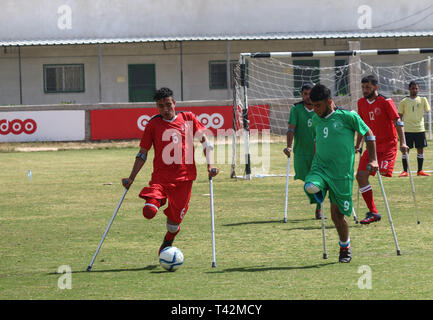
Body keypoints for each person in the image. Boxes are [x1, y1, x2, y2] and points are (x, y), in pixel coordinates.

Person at [122, 87, 219, 254]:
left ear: (174, 103)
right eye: (161, 106)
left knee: (173, 225)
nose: (165, 109)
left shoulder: (188, 118)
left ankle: (168, 239)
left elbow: (205, 142)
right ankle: (158, 200)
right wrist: (131, 178)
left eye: (168, 104)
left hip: (184, 179)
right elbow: (142, 153)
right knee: (149, 211)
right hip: (160, 179)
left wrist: (210, 166)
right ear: (157, 107)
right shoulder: (153, 124)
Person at [303, 84, 378, 263]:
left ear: (329, 102)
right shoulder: (315, 119)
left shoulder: (348, 117)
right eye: (312, 106)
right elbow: (317, 140)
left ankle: (345, 246)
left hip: (341, 174)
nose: (315, 109)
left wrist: (373, 159)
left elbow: (368, 133)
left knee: (338, 215)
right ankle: (320, 188)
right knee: (311, 185)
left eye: (318, 106)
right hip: (320, 168)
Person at [355, 75, 409, 225]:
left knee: (383, 172)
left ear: (376, 87)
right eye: (363, 88)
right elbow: (361, 126)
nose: (365, 90)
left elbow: (397, 122)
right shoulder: (361, 103)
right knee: (360, 176)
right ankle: (373, 212)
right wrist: (357, 145)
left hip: (388, 145)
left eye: (368, 88)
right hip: (371, 146)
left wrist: (403, 143)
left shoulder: (386, 101)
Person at [283, 83, 323, 219]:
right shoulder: (296, 108)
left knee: (318, 180)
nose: (307, 97)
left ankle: (319, 208)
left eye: (309, 93)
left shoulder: (320, 107)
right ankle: (316, 200)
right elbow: (291, 128)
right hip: (301, 151)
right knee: (306, 181)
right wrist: (288, 146)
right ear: (301, 95)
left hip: (318, 152)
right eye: (304, 94)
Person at [397, 81, 431, 177]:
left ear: (418, 89)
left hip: (420, 129)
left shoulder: (423, 99)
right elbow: (399, 116)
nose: (414, 90)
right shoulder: (404, 101)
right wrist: (399, 128)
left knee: (420, 149)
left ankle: (420, 170)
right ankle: (405, 171)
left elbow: (428, 109)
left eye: (416, 88)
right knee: (405, 150)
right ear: (409, 89)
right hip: (407, 130)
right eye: (412, 88)